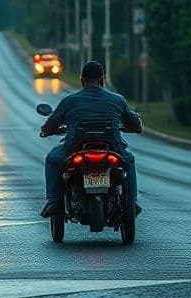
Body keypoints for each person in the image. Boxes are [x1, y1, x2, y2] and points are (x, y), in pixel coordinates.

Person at [39, 60, 143, 218]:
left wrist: (47, 131)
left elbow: (49, 126)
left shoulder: (69, 101)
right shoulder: (118, 100)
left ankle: (54, 201)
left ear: (82, 81)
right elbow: (136, 125)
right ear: (102, 80)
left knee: (52, 160)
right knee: (129, 160)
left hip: (74, 148)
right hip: (113, 148)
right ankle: (132, 203)